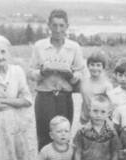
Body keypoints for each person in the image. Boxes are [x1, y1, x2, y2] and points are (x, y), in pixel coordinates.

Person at [29, 9, 86, 150]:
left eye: (61, 25)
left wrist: (71, 75)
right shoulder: (40, 46)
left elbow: (81, 72)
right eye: (54, 25)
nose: (58, 29)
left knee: (63, 136)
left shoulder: (74, 47)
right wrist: (42, 72)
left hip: (64, 98)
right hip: (44, 97)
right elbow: (30, 72)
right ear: (49, 25)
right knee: (44, 136)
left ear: (67, 26)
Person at [80, 50, 113, 124]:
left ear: (103, 67)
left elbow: (110, 107)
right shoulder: (83, 82)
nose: (95, 68)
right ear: (88, 66)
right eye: (92, 65)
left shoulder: (107, 85)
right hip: (85, 119)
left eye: (98, 65)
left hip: (100, 121)